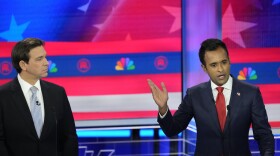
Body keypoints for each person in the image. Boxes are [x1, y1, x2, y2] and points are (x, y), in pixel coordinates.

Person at [147, 38, 275, 155]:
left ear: (229, 61)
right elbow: (172, 129)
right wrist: (163, 108)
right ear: (204, 68)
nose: (220, 69)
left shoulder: (250, 93)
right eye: (214, 65)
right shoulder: (194, 95)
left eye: (223, 62)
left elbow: (264, 136)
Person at [0, 38, 78, 156]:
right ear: (23, 65)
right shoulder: (3, 96)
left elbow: (69, 136)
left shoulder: (57, 92)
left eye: (45, 57)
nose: (46, 62)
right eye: (39, 59)